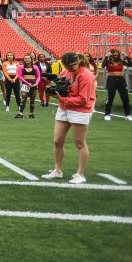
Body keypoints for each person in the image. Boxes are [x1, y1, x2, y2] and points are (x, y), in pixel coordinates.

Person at [42, 51, 95, 184]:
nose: (69, 69)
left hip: (81, 110)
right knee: (57, 140)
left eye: (72, 66)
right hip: (65, 107)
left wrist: (63, 99)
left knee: (79, 142)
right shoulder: (66, 72)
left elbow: (83, 100)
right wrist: (56, 92)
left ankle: (80, 174)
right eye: (67, 66)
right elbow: (63, 88)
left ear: (78, 63)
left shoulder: (86, 76)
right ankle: (57, 170)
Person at [101, 48, 132, 121]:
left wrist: (126, 57)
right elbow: (102, 66)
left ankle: (128, 115)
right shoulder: (108, 60)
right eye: (114, 55)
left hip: (120, 79)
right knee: (110, 98)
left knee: (125, 98)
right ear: (111, 55)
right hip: (111, 79)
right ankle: (107, 114)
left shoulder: (121, 61)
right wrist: (106, 57)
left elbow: (131, 65)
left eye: (117, 55)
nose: (115, 56)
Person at [14, 53, 42, 119]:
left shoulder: (35, 67)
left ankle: (31, 113)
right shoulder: (21, 67)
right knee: (23, 99)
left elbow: (38, 77)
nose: (27, 60)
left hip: (34, 84)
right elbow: (20, 77)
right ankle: (20, 113)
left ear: (31, 59)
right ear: (24, 60)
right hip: (25, 85)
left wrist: (36, 83)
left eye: (28, 58)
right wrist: (27, 83)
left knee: (32, 99)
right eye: (25, 58)